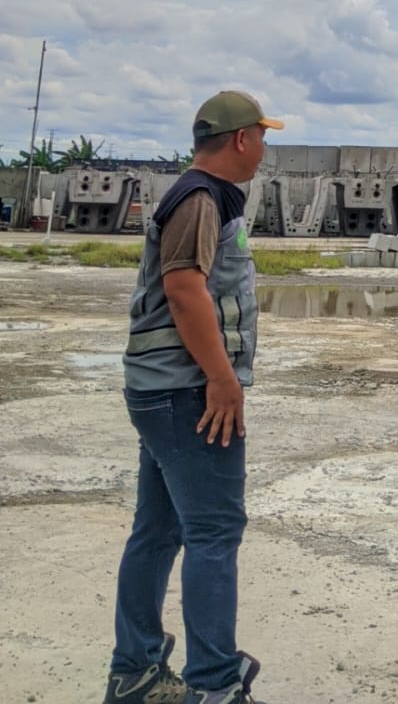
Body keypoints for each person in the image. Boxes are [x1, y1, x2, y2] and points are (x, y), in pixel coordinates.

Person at [103, 90, 282, 704]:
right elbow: (184, 290)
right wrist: (222, 379)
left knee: (158, 529)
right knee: (214, 531)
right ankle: (214, 683)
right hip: (186, 393)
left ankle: (135, 668)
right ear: (240, 139)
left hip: (163, 389)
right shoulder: (200, 198)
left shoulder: (198, 196)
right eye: (262, 135)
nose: (264, 148)